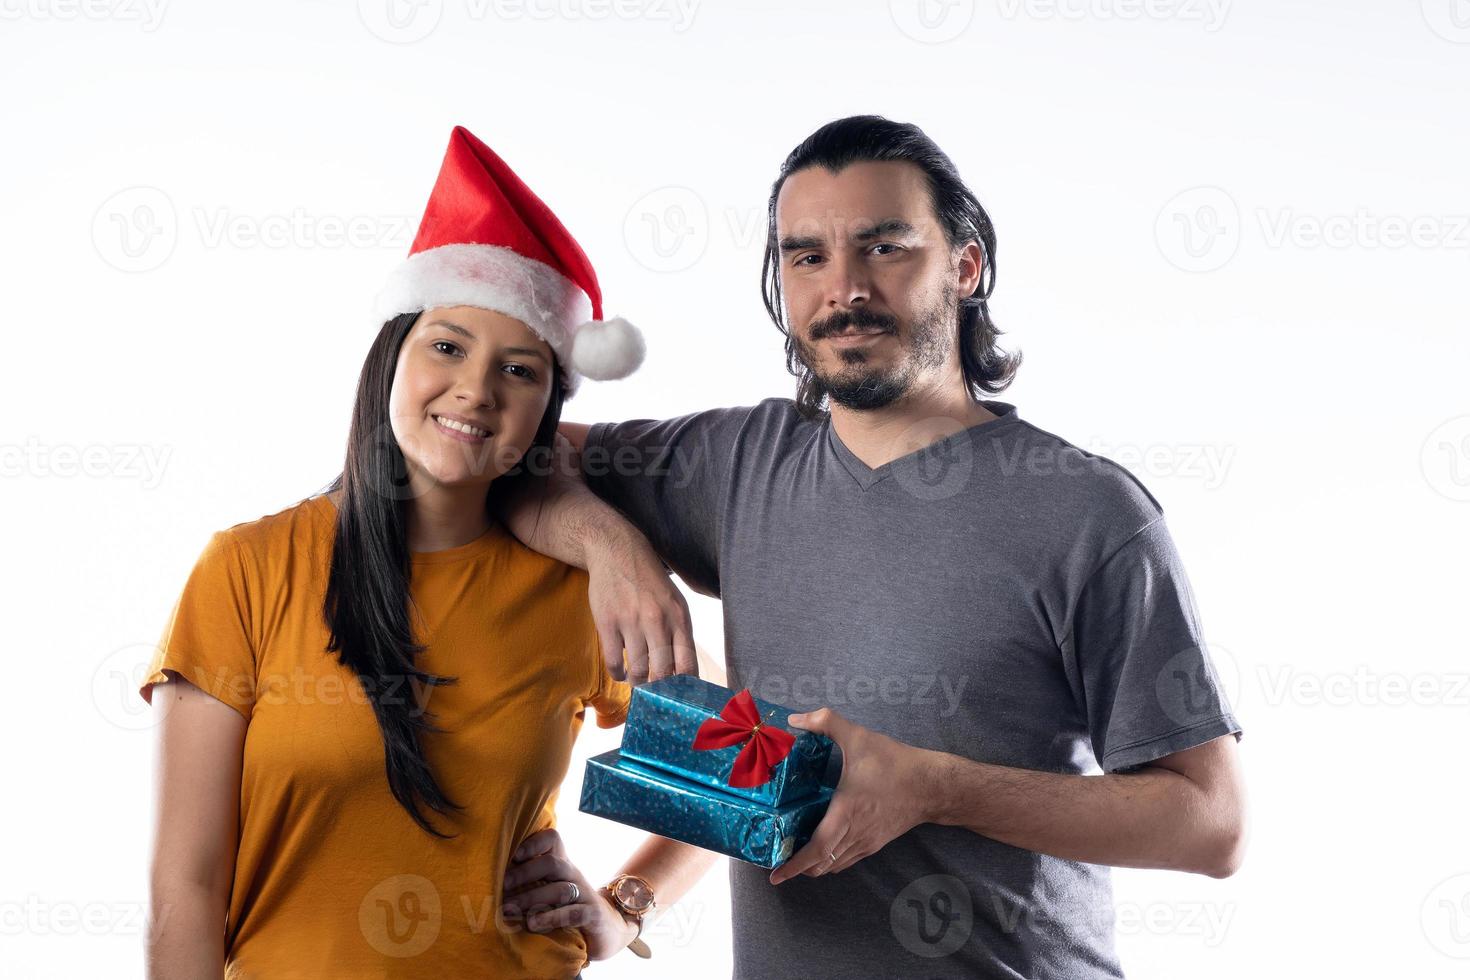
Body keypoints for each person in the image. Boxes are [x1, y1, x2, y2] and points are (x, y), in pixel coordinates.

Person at [501, 115, 1248, 979]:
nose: (843, 289)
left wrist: (937, 786)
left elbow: (1213, 825)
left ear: (964, 267)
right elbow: (504, 452)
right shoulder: (735, 463)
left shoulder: (1089, 511)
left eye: (885, 248)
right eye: (807, 256)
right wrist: (611, 549)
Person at [139, 125, 713, 979]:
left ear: (547, 407)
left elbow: (738, 771)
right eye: (447, 346)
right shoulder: (248, 570)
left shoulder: (578, 593)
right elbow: (184, 892)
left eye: (521, 370)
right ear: (390, 359)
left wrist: (620, 910)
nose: (476, 390)